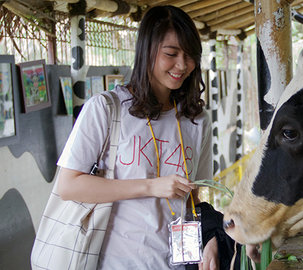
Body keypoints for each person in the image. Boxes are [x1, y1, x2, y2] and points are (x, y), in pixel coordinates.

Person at [57, 5, 237, 270]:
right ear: (147, 51)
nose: (182, 65)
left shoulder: (197, 119)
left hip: (178, 263)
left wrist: (209, 237)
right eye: (171, 54)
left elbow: (192, 200)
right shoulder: (106, 108)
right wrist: (150, 186)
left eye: (189, 56)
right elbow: (69, 186)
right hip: (117, 263)